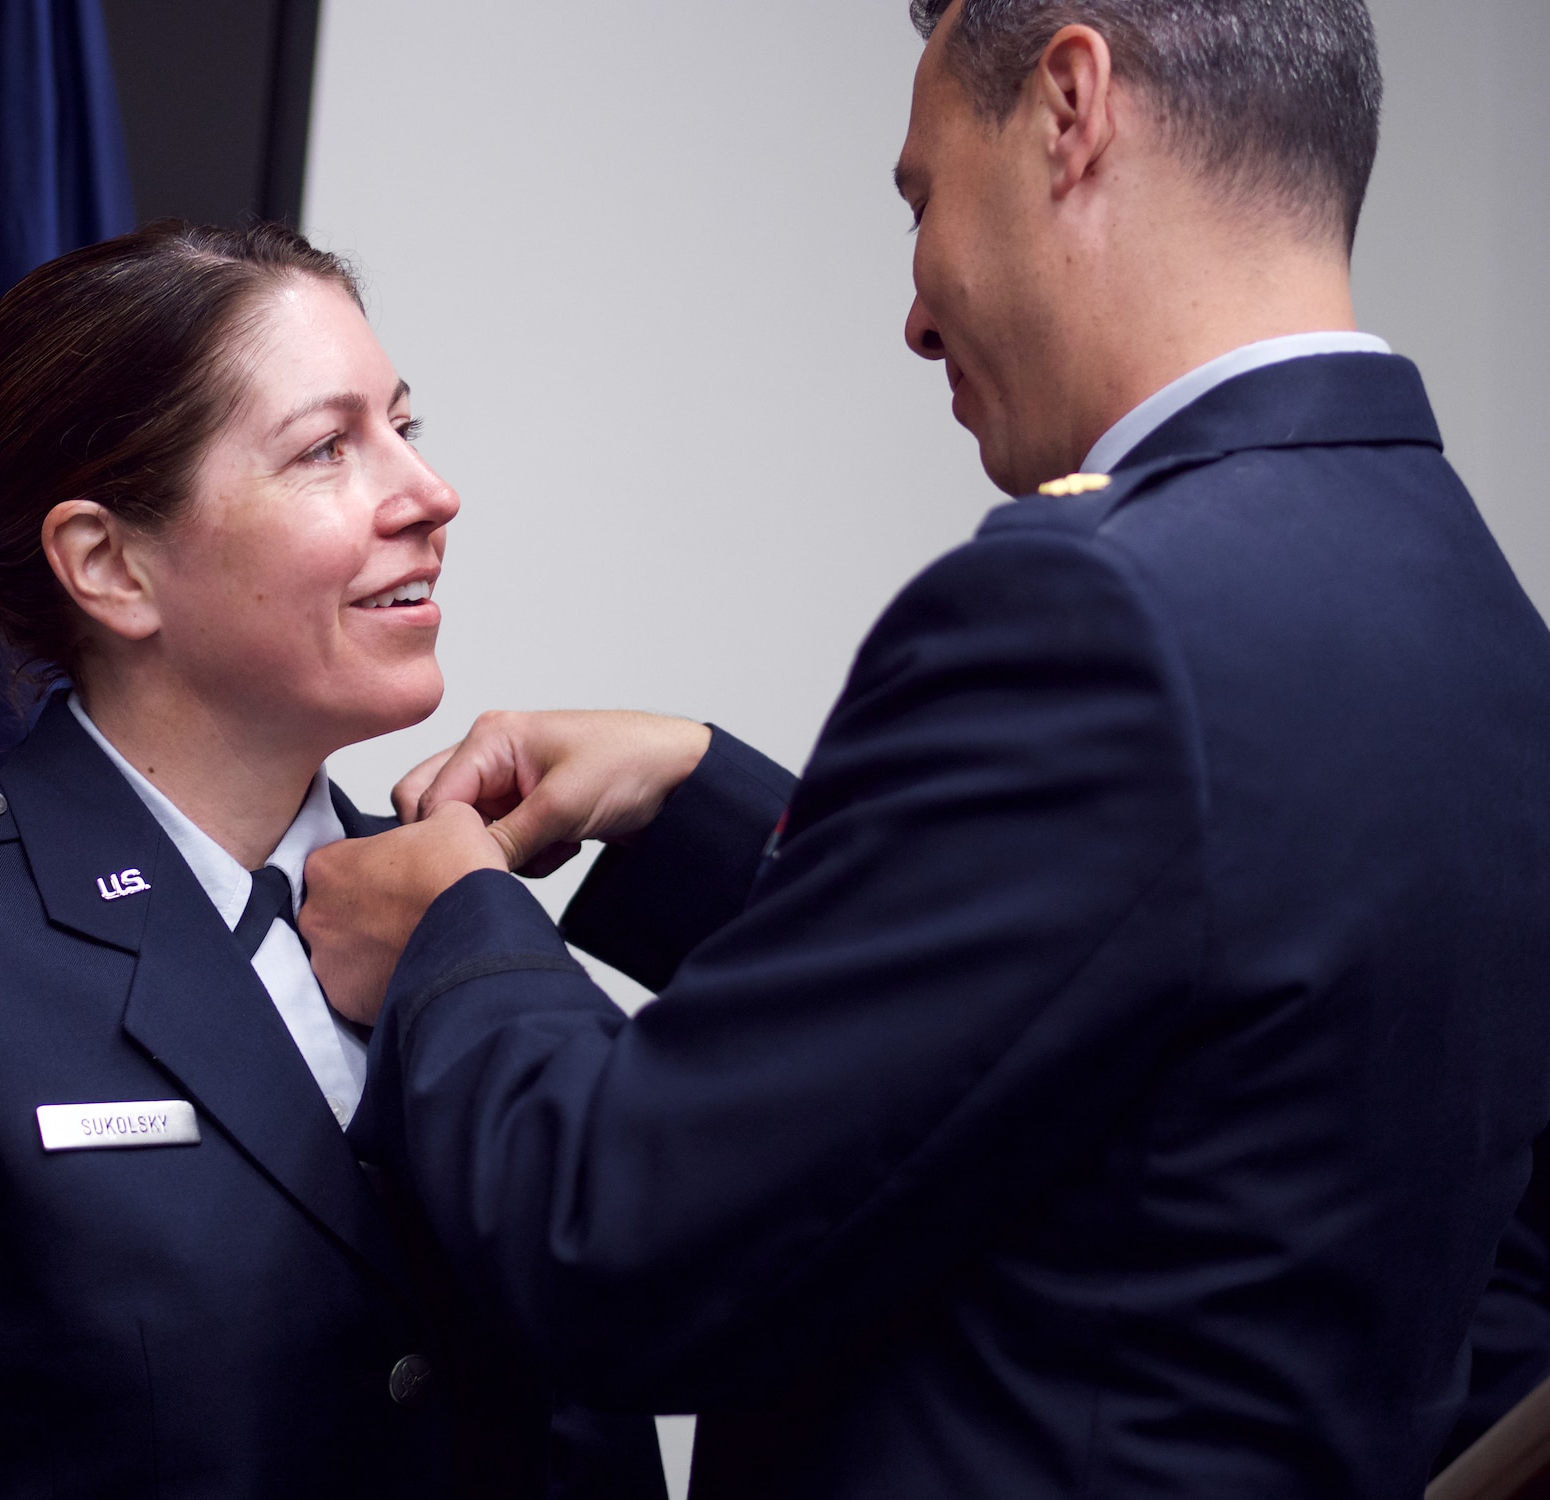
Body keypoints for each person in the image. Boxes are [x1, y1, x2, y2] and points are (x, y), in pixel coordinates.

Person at [297, 2, 1550, 1495]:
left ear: (1069, 107)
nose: (914, 306)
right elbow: (1118, 1008)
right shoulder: (1472, 607)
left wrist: (454, 937)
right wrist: (704, 799)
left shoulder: (1089, 607)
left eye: (922, 198)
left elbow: (625, 1246)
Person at [0, 221, 665, 1500]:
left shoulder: (462, 918)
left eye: (404, 427)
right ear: (109, 564)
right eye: (325, 449)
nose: (427, 492)